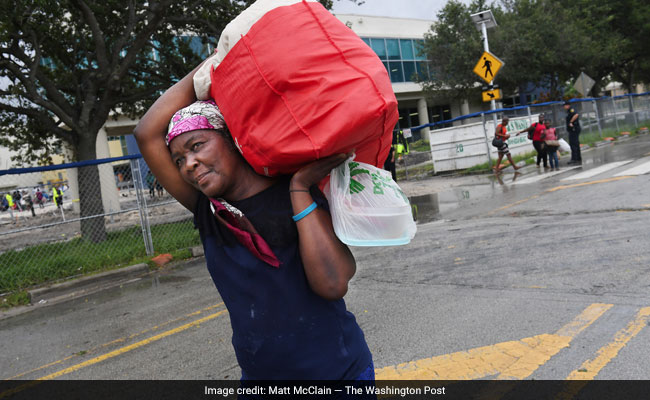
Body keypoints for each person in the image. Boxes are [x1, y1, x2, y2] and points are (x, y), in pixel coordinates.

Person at [133, 62, 375, 386]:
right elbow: (145, 133)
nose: (189, 164)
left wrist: (301, 190)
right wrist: (216, 61)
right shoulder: (209, 211)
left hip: (337, 377)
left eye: (197, 146)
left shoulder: (293, 191)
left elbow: (333, 285)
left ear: (231, 139)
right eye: (179, 160)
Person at [564, 100, 581, 165]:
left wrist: (571, 122)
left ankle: (574, 159)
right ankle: (578, 158)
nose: (564, 107)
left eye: (565, 106)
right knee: (576, 143)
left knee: (573, 144)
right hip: (573, 129)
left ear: (567, 105)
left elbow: (576, 115)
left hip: (574, 129)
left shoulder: (571, 110)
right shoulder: (569, 111)